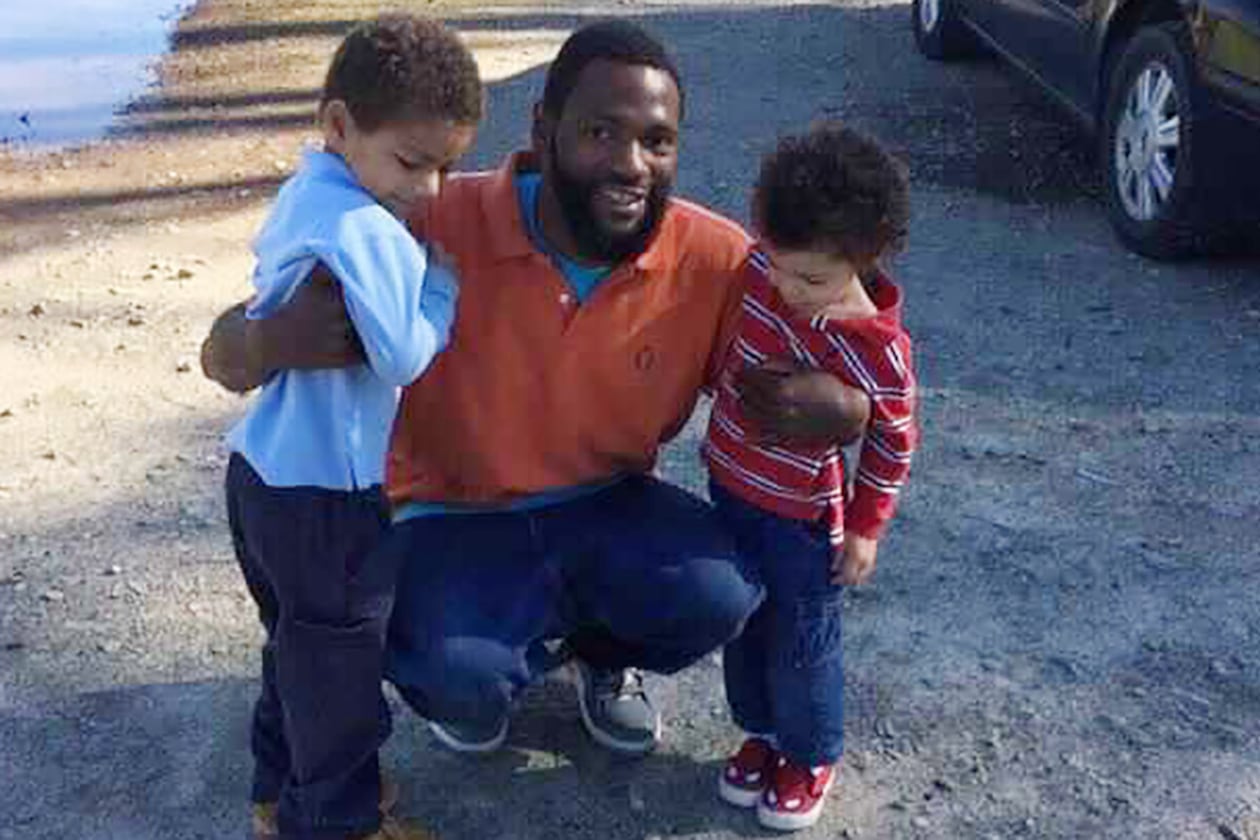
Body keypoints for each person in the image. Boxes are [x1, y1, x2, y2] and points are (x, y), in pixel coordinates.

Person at [201, 20, 869, 765]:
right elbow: (223, 354)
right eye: (599, 131)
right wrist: (264, 341)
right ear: (543, 128)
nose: (631, 164)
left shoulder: (715, 259)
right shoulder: (427, 218)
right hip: (446, 517)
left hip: (607, 501)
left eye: (657, 140)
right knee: (455, 672)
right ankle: (484, 680)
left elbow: (852, 314)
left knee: (722, 588)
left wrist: (856, 409)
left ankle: (598, 660)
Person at [220, 16, 481, 840]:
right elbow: (402, 356)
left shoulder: (308, 191)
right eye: (412, 162)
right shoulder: (368, 228)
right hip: (328, 496)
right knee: (339, 671)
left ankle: (278, 790)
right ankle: (338, 822)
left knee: (292, 646)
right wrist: (440, 288)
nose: (431, 189)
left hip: (260, 476)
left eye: (446, 165)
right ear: (339, 125)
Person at [706, 123, 917, 830]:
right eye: (778, 266)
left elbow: (893, 441)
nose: (790, 290)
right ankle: (762, 732)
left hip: (801, 520)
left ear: (867, 255)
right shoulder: (763, 280)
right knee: (743, 622)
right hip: (729, 486)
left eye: (814, 279)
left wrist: (865, 529)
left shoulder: (878, 351)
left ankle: (811, 751)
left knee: (802, 636)